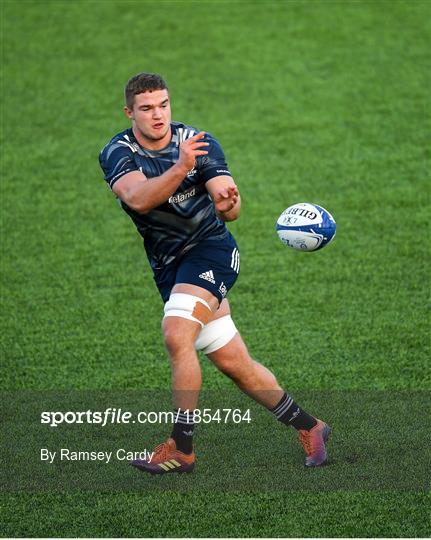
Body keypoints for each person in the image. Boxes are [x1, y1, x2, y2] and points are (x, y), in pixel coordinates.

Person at [99, 72, 331, 475]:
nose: (159, 115)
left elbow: (230, 206)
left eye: (164, 105)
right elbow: (139, 199)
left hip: (212, 252)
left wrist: (227, 202)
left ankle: (182, 447)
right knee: (233, 362)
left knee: (176, 333)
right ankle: (311, 426)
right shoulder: (117, 152)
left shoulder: (198, 142)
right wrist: (180, 167)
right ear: (129, 112)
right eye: (147, 108)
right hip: (169, 266)